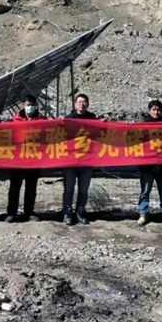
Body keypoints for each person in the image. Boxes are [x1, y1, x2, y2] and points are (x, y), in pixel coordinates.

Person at [6, 95, 46, 223]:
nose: (30, 107)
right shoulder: (15, 120)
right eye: (28, 105)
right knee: (14, 187)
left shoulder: (42, 120)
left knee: (31, 187)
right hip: (18, 159)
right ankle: (11, 213)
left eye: (32, 105)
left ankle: (29, 212)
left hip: (34, 158)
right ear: (23, 105)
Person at [63, 93, 97, 225]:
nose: (81, 104)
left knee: (83, 189)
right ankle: (67, 213)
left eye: (84, 102)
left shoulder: (93, 119)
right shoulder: (68, 119)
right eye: (79, 102)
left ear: (87, 104)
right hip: (70, 161)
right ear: (75, 104)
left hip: (87, 161)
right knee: (69, 189)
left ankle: (80, 212)